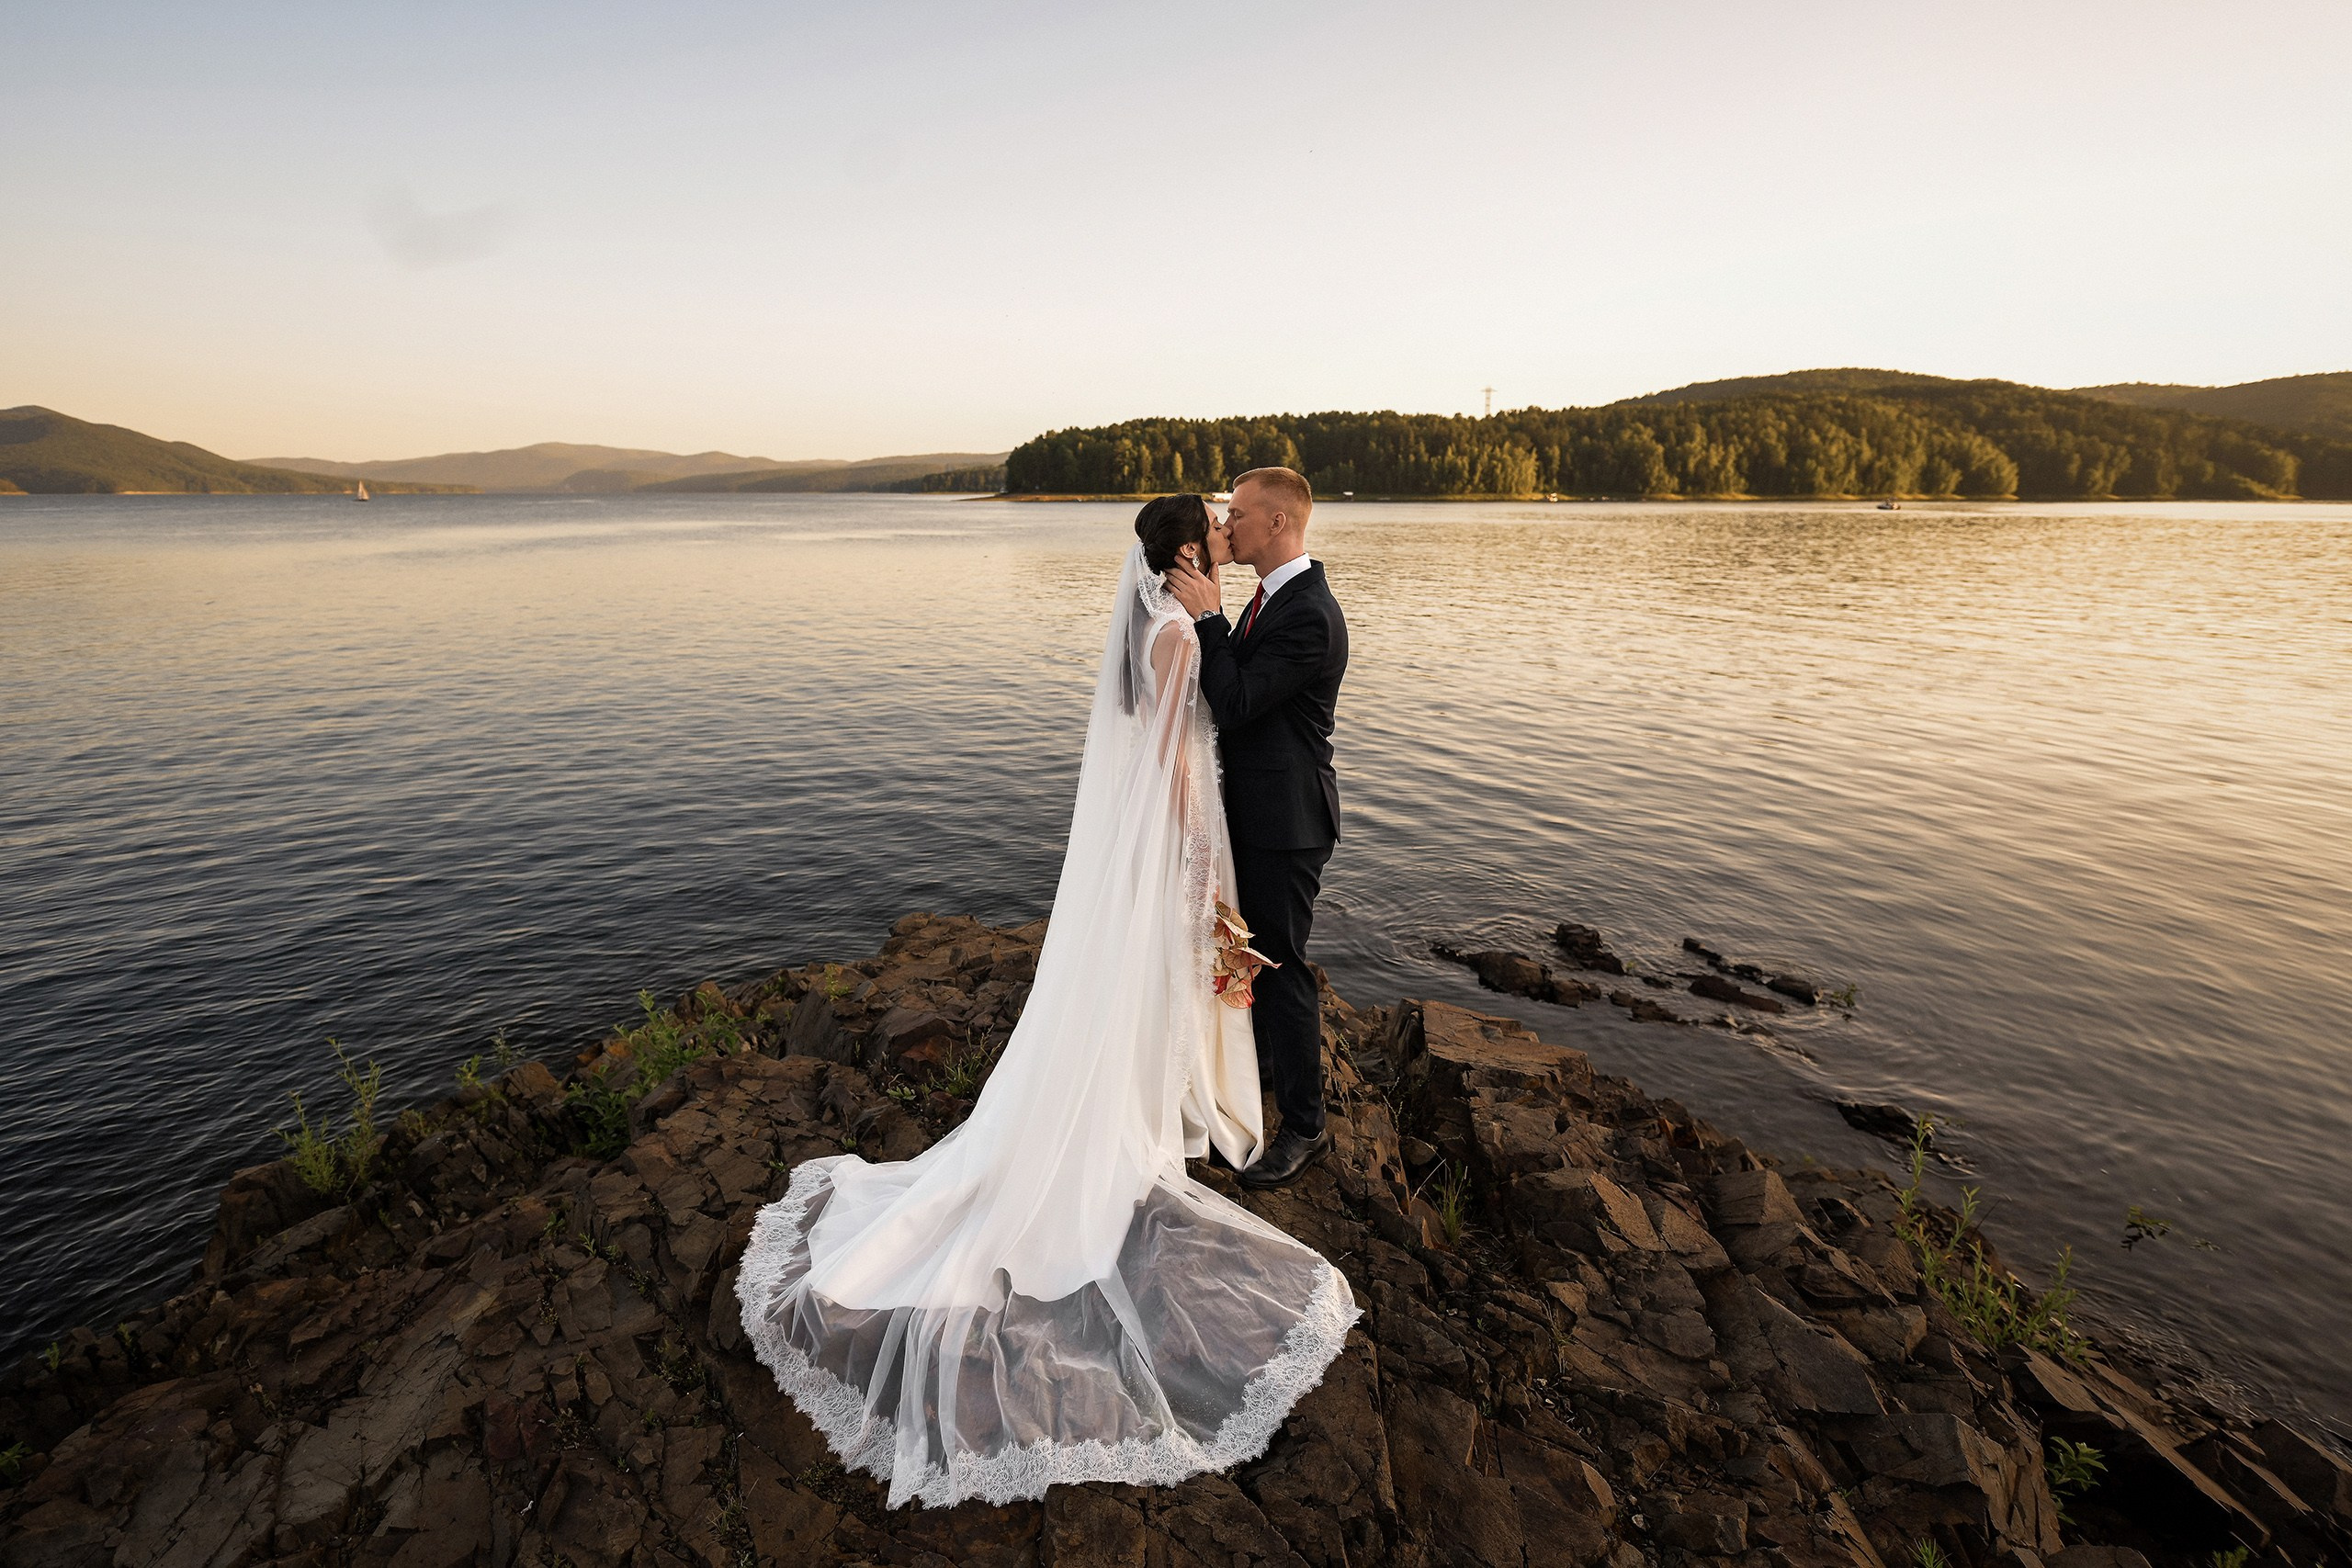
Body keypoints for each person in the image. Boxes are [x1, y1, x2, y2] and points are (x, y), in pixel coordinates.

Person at [735, 493, 1358, 1510]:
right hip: (1179, 841)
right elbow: (1175, 763)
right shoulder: (1179, 630)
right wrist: (1199, 867)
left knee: (1255, 972)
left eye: (1239, 514)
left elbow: (1218, 720)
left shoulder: (1247, 616)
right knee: (1191, 982)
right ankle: (1184, 1107)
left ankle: (1279, 1110)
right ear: (1186, 555)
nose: (1229, 528)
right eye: (1215, 525)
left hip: (1265, 823)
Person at [1165, 467, 1349, 1189]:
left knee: (1282, 967)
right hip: (1256, 811)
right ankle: (1264, 1074)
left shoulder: (1309, 612)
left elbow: (1237, 700)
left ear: (1277, 522)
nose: (1226, 523)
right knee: (1256, 957)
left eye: (1237, 513)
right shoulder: (1271, 597)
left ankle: (1307, 1128)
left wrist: (1209, 617)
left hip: (1288, 820)